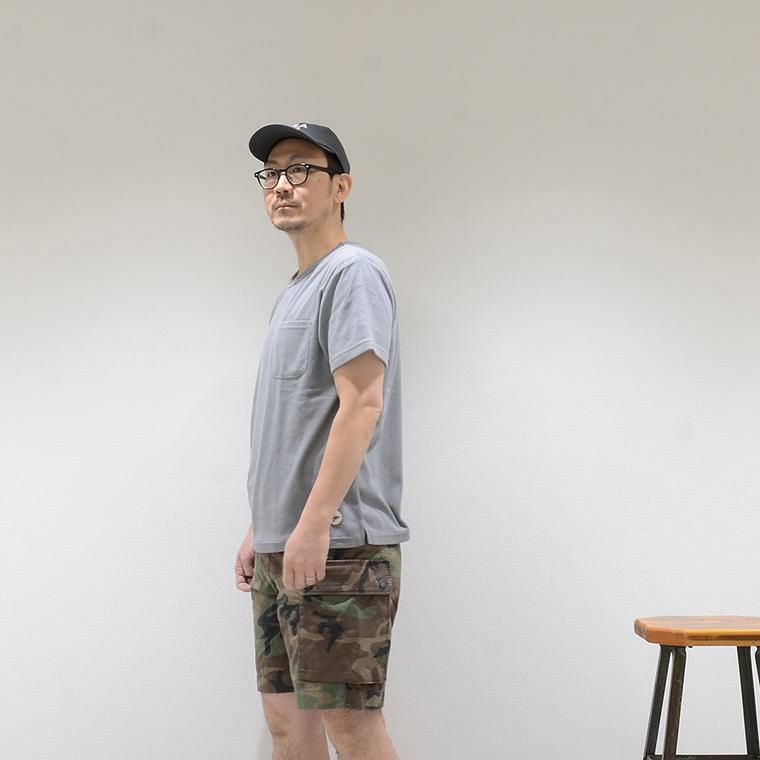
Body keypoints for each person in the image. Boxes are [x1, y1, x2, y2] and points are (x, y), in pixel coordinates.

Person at [234, 122, 410, 760]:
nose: (282, 184)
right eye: (272, 173)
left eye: (301, 169)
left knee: (350, 727)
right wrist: (263, 526)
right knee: (287, 724)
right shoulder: (297, 288)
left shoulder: (352, 273)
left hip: (339, 545)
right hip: (286, 542)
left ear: (341, 187)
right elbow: (298, 423)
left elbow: (362, 404)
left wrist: (312, 524)